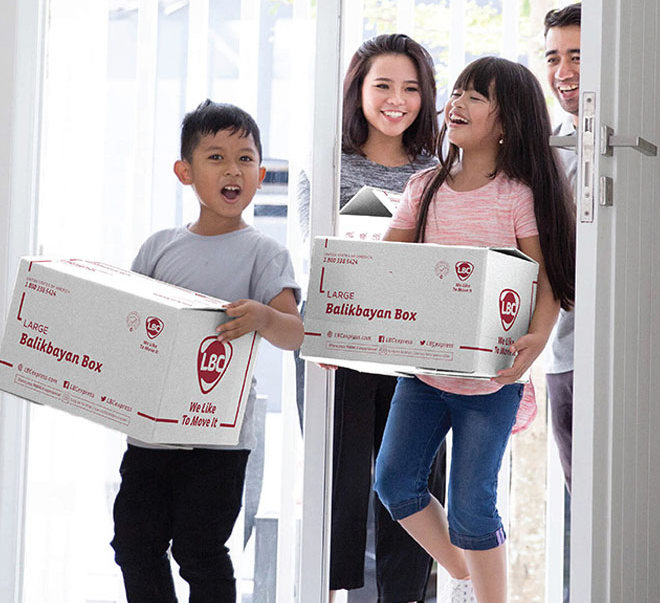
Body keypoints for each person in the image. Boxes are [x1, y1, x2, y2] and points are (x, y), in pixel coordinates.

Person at [374, 56, 575, 603]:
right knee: (394, 482)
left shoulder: (517, 195)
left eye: (475, 96)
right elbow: (384, 266)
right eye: (457, 92)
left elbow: (545, 278)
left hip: (492, 381)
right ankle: (464, 573)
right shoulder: (424, 187)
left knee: (471, 508)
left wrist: (538, 337)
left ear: (507, 121)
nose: (457, 103)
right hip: (424, 375)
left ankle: (485, 591)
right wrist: (342, 328)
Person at [111, 100, 303, 603]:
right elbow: (126, 324)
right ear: (185, 172)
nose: (233, 169)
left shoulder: (265, 253)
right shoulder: (158, 247)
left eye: (245, 158)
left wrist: (263, 318)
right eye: (216, 157)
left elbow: (294, 333)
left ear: (260, 175)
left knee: (199, 549)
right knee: (133, 545)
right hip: (151, 434)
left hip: (219, 439)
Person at [297, 33, 445, 603]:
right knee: (338, 484)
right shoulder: (326, 163)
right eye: (383, 85)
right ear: (358, 90)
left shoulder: (438, 171)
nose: (396, 100)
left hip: (413, 345)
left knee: (410, 484)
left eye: (411, 88)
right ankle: (329, 592)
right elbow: (315, 254)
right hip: (340, 339)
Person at [543, 2, 581, 492]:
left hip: (625, 354)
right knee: (586, 506)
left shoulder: (629, 144)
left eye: (576, 56)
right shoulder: (548, 149)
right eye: (553, 58)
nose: (563, 71)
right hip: (564, 356)